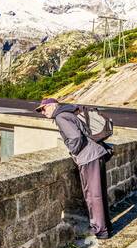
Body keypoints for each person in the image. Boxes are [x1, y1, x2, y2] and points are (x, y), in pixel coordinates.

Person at [35, 98, 111, 239]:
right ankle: (105, 226)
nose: (42, 112)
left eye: (43, 109)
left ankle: (100, 230)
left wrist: (74, 152)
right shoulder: (69, 112)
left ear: (52, 106)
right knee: (99, 193)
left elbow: (75, 137)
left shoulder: (60, 116)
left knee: (93, 195)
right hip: (97, 153)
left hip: (88, 157)